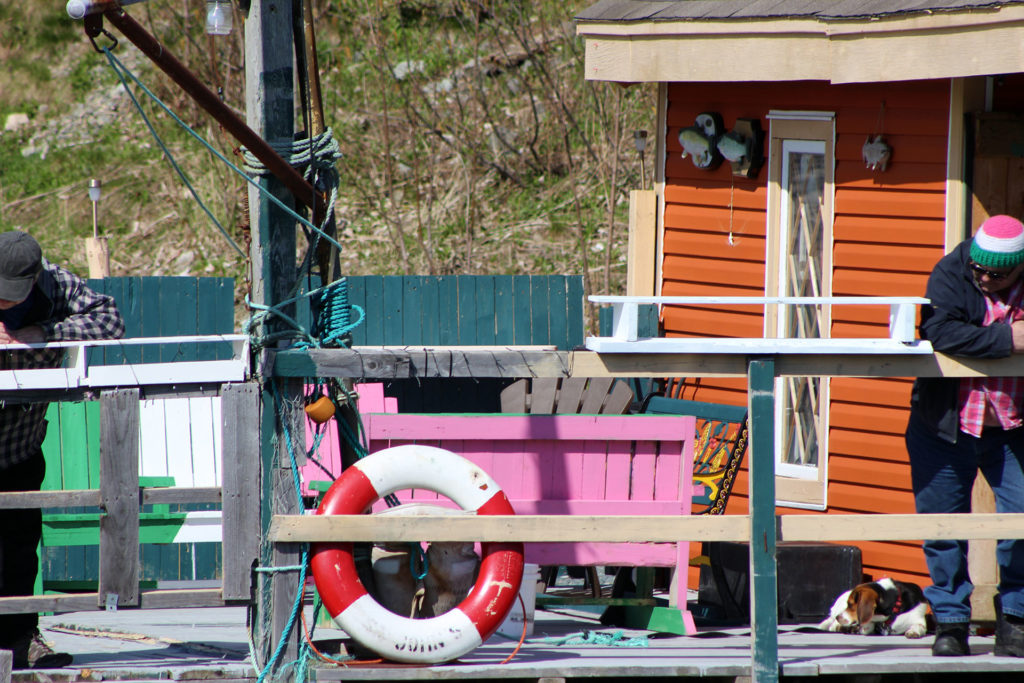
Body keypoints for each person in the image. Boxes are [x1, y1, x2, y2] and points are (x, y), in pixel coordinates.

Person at [0, 231, 124, 669]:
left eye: (10, 296)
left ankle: (20, 639)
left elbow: (110, 321)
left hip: (19, 450)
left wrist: (45, 332)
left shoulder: (57, 284)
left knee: (18, 552)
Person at [907, 214, 1024, 657]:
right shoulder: (953, 269)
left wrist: (981, 338)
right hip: (944, 423)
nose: (984, 278)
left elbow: (961, 334)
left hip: (1014, 426)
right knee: (943, 527)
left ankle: (1015, 619)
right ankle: (951, 623)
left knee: (1021, 527)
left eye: (996, 274)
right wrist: (1009, 340)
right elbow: (939, 331)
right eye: (980, 269)